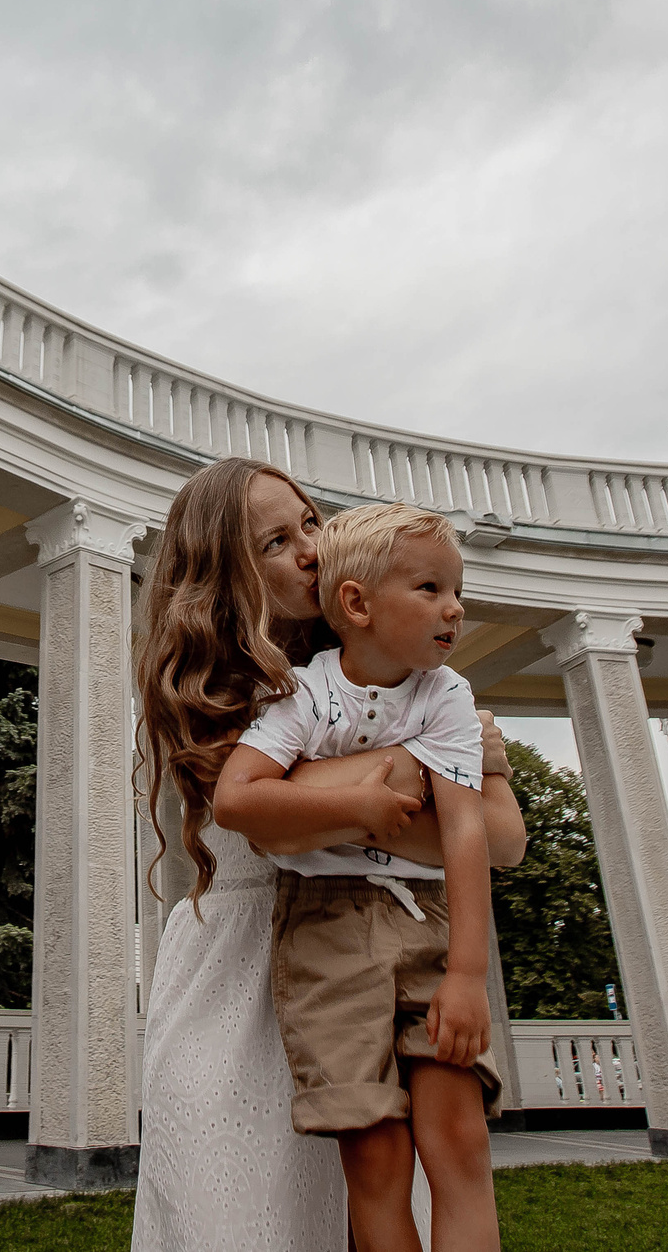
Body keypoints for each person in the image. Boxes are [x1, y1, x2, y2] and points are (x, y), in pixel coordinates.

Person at [132, 461, 525, 1252]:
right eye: (276, 541)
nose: (311, 548)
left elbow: (502, 838)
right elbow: (272, 827)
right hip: (235, 974)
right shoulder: (219, 692)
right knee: (233, 1216)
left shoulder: (404, 677)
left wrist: (366, 787)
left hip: (372, 954)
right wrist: (420, 766)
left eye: (310, 521)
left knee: (381, 1182)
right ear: (224, 572)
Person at [215, 502, 501, 1252]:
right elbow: (236, 799)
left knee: (460, 1137)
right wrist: (357, 808)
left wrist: (468, 973)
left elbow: (468, 828)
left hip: (428, 921)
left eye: (457, 589)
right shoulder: (301, 693)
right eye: (431, 588)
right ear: (357, 603)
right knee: (376, 1155)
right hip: (325, 927)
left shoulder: (447, 695)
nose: (455, 606)